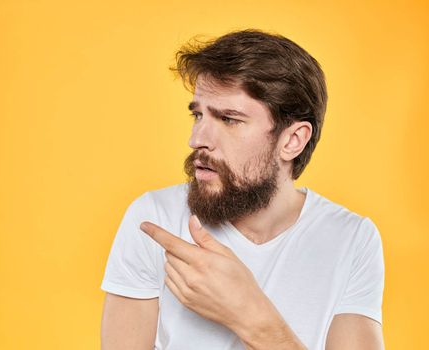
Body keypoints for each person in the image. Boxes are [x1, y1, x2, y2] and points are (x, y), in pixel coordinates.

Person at [100, 28, 385, 350]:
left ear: (292, 140)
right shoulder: (155, 219)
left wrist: (251, 316)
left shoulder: (351, 238)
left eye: (229, 119)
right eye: (197, 115)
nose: (197, 140)